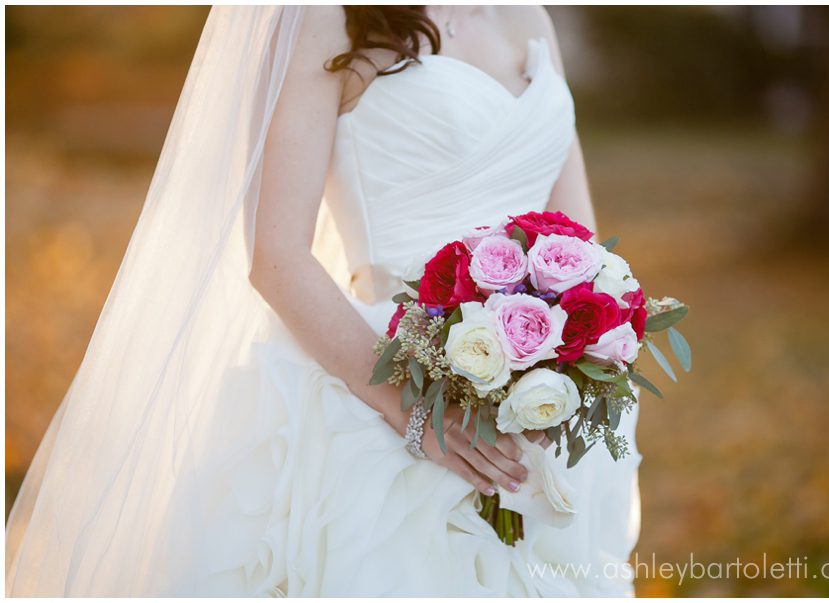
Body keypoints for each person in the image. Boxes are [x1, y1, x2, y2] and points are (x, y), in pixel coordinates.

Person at [7, 6, 640, 596]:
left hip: (543, 408)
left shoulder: (526, 16)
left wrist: (576, 359)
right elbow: (277, 257)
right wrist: (419, 413)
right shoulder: (327, 16)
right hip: (383, 380)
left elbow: (578, 235)